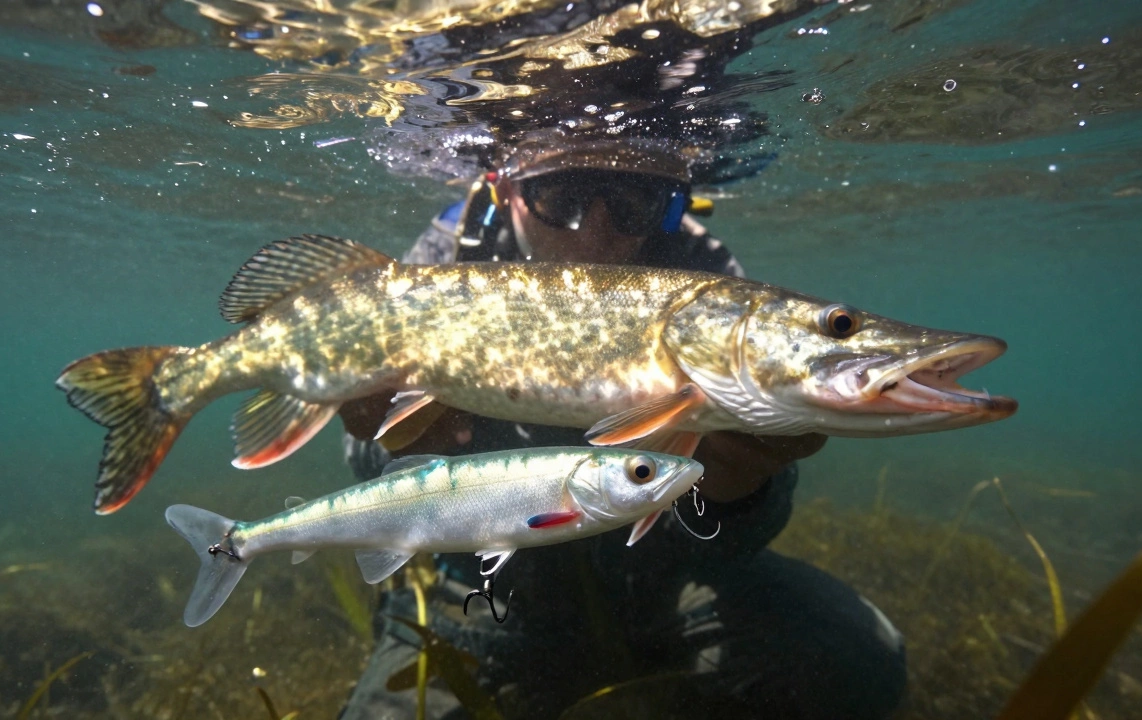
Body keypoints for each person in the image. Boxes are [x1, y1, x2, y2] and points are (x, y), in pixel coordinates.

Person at [337, 135, 907, 720]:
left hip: (657, 583)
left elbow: (729, 546)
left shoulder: (707, 285)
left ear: (669, 204)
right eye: (562, 197)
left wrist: (740, 490)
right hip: (483, 586)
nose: (594, 234)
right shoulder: (434, 269)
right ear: (505, 186)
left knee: (861, 660)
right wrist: (391, 440)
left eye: (634, 201)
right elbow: (365, 470)